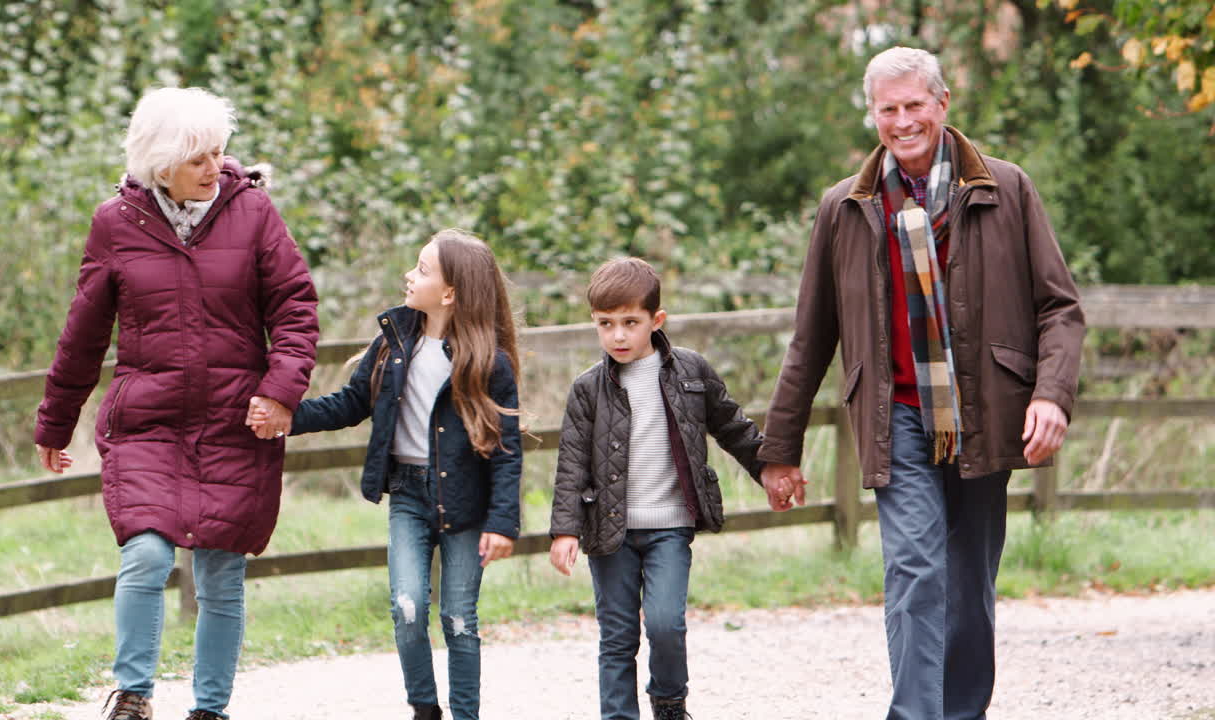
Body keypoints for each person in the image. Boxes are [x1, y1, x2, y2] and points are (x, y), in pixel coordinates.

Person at [758, 47, 1085, 719]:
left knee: (969, 584)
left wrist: (1050, 394)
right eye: (888, 109)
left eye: (914, 105)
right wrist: (780, 449)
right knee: (916, 571)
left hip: (985, 413)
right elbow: (811, 336)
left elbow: (1060, 308)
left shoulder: (1005, 188)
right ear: (873, 114)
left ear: (941, 104)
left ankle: (962, 712)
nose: (902, 121)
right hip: (896, 414)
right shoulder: (844, 208)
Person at [34, 87, 319, 720]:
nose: (214, 167)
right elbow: (83, 333)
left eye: (219, 153)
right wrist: (56, 420)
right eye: (198, 158)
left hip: (233, 421)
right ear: (161, 161)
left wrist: (280, 390)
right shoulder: (116, 223)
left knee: (221, 570)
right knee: (146, 552)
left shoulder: (254, 214)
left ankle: (209, 709)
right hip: (147, 422)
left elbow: (296, 308)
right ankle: (133, 696)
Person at [248, 229, 521, 720]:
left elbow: (506, 450)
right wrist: (291, 417)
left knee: (459, 620)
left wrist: (503, 522)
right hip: (409, 496)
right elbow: (353, 402)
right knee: (407, 606)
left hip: (467, 504)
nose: (408, 276)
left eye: (421, 269)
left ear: (450, 292)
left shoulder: (487, 363)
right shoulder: (392, 343)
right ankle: (424, 709)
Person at [547, 258, 766, 720]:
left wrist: (771, 470)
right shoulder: (588, 388)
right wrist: (564, 530)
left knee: (666, 624)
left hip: (670, 526)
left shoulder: (692, 372)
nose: (618, 336)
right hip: (610, 533)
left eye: (630, 323)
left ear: (656, 320)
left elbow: (734, 428)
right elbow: (571, 462)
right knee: (617, 635)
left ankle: (669, 703)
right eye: (606, 325)